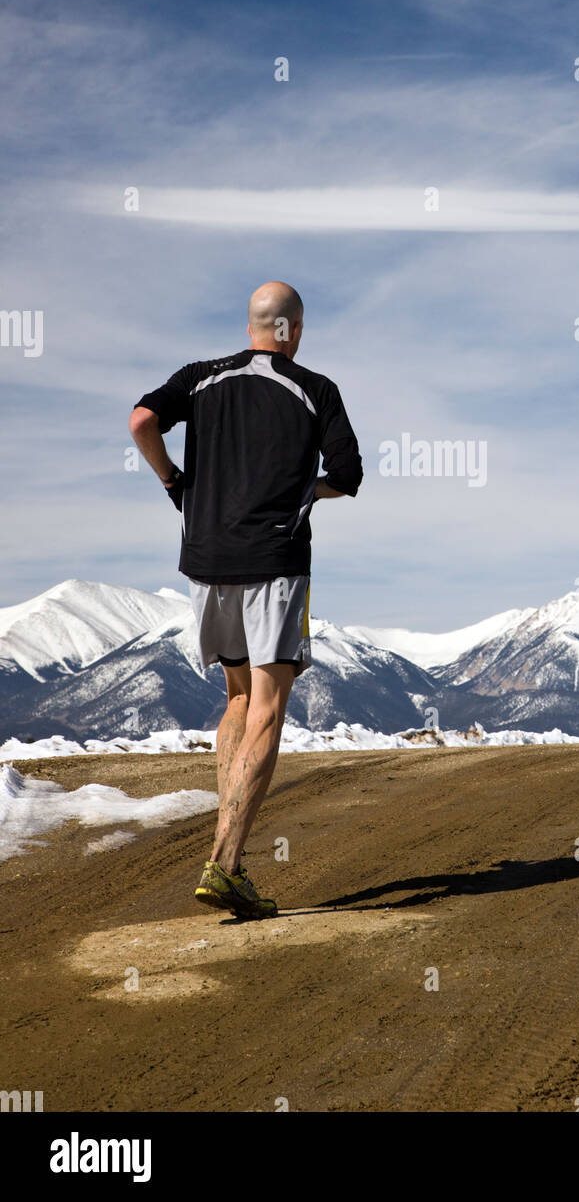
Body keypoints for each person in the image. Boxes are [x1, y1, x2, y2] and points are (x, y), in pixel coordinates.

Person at [129, 282, 362, 918]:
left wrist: (174, 480)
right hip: (276, 564)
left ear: (253, 324)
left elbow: (141, 421)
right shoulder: (316, 389)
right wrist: (305, 493)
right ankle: (226, 863)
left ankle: (226, 856)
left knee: (235, 698)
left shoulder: (200, 378)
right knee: (267, 706)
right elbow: (348, 475)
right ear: (293, 330)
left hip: (206, 564)